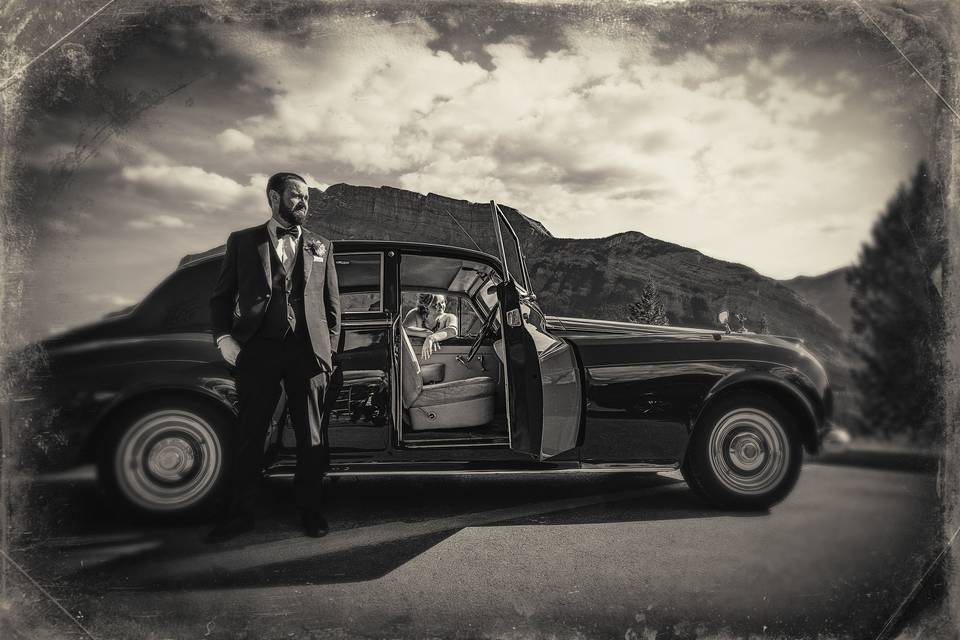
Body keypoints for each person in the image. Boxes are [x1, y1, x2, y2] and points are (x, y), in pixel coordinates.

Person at [206, 171, 340, 543]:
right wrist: (224, 340)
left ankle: (311, 512)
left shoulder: (321, 246)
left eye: (307, 198)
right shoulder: (243, 241)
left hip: (307, 353)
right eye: (296, 196)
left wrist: (327, 352)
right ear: (273, 197)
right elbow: (220, 297)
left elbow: (332, 306)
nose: (304, 203)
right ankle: (239, 515)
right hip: (259, 349)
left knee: (311, 437)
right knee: (250, 434)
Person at [403, 293, 458, 359]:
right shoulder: (415, 313)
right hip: (416, 356)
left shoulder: (450, 317)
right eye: (436, 304)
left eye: (443, 302)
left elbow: (452, 331)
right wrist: (427, 333)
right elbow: (404, 329)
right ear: (425, 306)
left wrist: (431, 338)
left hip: (442, 356)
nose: (441, 306)